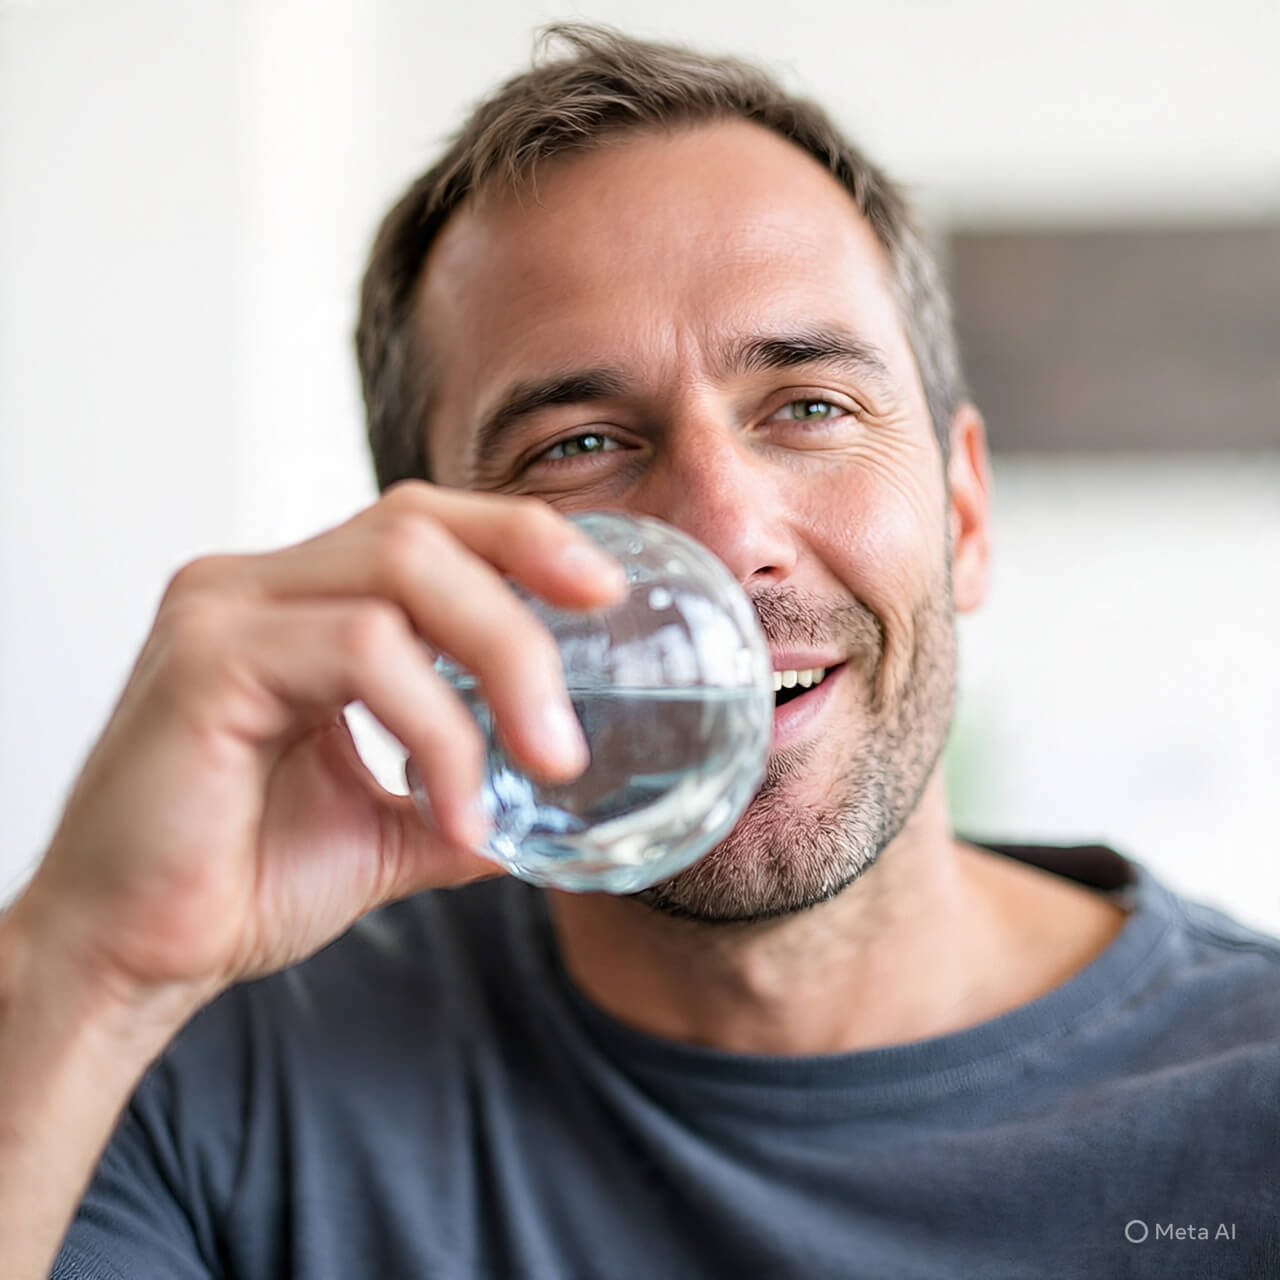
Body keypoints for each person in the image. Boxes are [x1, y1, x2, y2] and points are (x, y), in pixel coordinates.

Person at [2, 23, 1276, 1279]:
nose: (724, 534)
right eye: (577, 444)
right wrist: (83, 963)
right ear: (432, 567)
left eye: (810, 407)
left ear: (961, 511)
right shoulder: (197, 1075)